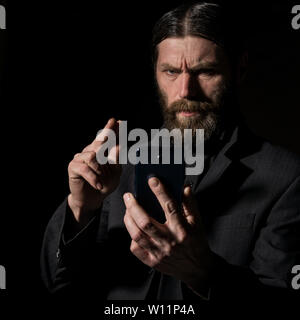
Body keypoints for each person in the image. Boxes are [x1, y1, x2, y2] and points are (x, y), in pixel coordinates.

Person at [41, 2, 300, 302]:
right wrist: (80, 208)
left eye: (205, 71)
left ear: (238, 69)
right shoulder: (119, 162)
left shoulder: (288, 178)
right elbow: (56, 285)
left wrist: (202, 272)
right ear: (155, 73)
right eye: (171, 71)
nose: (185, 90)